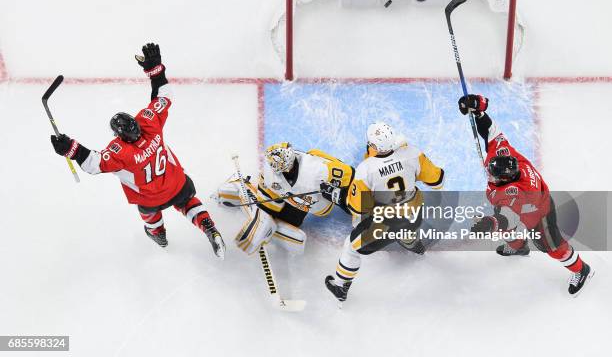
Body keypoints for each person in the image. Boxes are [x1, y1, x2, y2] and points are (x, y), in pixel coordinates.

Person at [50, 43, 225, 258]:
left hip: (151, 199)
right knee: (186, 200)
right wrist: (155, 70)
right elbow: (164, 96)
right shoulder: (149, 122)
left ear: (119, 136)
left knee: (147, 212)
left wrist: (70, 148)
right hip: (176, 182)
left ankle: (158, 235)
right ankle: (208, 226)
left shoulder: (120, 151)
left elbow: (93, 164)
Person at [459, 94, 593, 296]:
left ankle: (581, 270)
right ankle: (519, 247)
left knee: (550, 245)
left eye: (492, 176)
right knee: (509, 233)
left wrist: (490, 223)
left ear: (506, 180)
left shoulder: (519, 195)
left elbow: (509, 218)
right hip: (512, 206)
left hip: (537, 212)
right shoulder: (503, 154)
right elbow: (491, 131)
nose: (488, 174)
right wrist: (477, 107)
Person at [324, 122, 445, 303]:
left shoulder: (365, 170)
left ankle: (341, 285)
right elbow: (438, 181)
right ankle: (412, 244)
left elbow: (358, 208)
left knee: (351, 247)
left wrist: (339, 194)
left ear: (373, 146)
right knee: (407, 219)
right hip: (415, 213)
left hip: (388, 224)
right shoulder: (412, 153)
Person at [215, 142, 354, 255]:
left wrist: (342, 197)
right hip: (296, 201)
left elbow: (352, 176)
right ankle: (242, 188)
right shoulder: (271, 174)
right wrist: (260, 225)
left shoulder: (319, 170)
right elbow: (267, 206)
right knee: (272, 218)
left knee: (351, 206)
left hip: (314, 203)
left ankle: (242, 188)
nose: (286, 170)